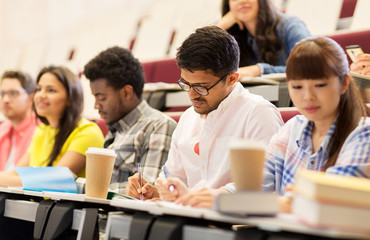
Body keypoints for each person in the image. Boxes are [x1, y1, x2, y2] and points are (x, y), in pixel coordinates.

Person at [125, 26, 283, 207]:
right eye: (186, 84)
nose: (192, 95)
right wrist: (158, 192)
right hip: (189, 219)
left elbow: (264, 186)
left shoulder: (258, 113)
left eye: (201, 87)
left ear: (232, 79)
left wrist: (215, 198)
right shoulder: (187, 118)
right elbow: (174, 180)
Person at [262, 37, 370, 212]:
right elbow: (255, 184)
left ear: (344, 84)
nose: (308, 97)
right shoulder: (292, 128)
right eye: (297, 87)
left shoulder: (364, 134)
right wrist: (220, 196)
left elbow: (332, 201)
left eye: (319, 85)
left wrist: (286, 203)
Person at [83, 46, 177, 193]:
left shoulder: (158, 126)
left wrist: (87, 188)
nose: (96, 105)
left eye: (101, 98)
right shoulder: (116, 129)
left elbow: (146, 193)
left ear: (126, 93)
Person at [0, 65, 105, 186]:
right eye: (39, 89)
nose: (41, 95)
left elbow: (53, 182)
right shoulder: (42, 131)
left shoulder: (88, 132)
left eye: (51, 90)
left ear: (70, 98)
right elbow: (15, 174)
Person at [217, 0, 311, 78]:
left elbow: (308, 68)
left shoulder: (291, 26)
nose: (242, 1)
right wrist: (219, 27)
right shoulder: (234, 35)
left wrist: (258, 70)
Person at [0, 70, 37, 171]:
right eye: (2, 94)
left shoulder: (41, 129)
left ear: (31, 99)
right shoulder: (3, 128)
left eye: (13, 93)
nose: (5, 100)